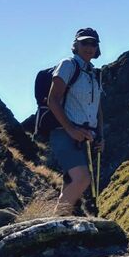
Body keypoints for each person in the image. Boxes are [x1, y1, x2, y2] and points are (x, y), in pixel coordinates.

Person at [48, 28, 105, 216]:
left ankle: (61, 222)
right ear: (76, 45)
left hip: (85, 136)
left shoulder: (94, 75)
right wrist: (71, 129)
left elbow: (97, 109)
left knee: (71, 182)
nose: (89, 47)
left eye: (93, 44)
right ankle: (55, 223)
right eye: (84, 43)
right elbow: (53, 100)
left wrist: (100, 137)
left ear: (97, 48)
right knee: (81, 179)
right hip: (64, 133)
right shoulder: (68, 65)